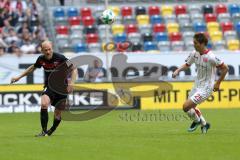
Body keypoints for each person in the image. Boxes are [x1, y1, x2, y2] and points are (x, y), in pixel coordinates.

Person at [10, 40, 77, 137]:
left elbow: (74, 68)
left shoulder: (60, 58)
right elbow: (33, 67)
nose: (48, 52)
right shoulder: (41, 59)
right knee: (44, 104)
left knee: (57, 113)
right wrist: (18, 77)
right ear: (42, 50)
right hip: (49, 86)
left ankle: (52, 130)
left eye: (49, 49)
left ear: (52, 48)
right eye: (45, 50)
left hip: (62, 88)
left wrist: (72, 83)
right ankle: (44, 131)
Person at [172, 33, 228, 134]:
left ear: (202, 44)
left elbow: (225, 68)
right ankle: (204, 124)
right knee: (190, 108)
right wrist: (178, 70)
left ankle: (197, 121)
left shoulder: (211, 57)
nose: (194, 45)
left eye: (195, 43)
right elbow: (187, 64)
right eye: (193, 42)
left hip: (206, 88)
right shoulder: (194, 53)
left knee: (186, 107)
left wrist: (218, 83)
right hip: (197, 84)